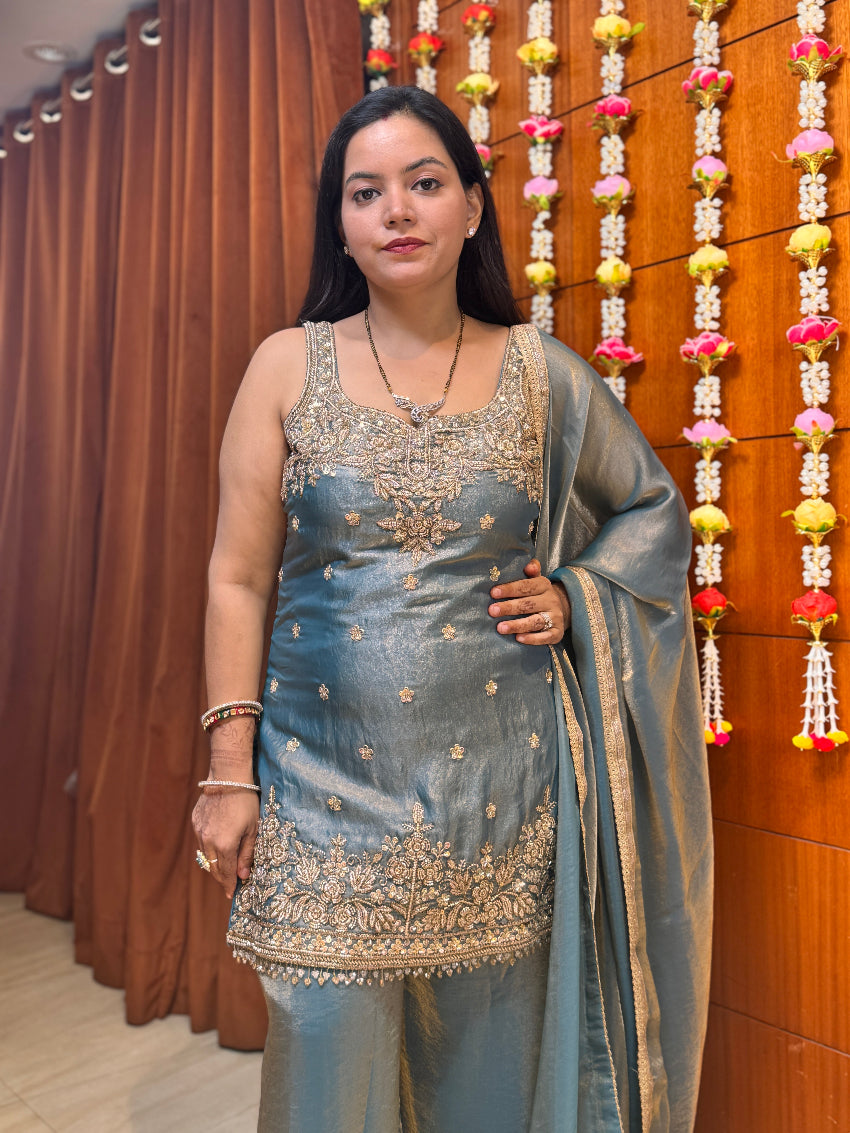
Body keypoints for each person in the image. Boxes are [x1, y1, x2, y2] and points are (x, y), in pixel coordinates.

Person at [192, 86, 712, 1133]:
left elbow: (650, 513)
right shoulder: (287, 365)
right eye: (365, 192)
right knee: (323, 1087)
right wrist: (226, 770)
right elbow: (237, 578)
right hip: (319, 802)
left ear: (472, 206)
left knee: (487, 1093)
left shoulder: (542, 374)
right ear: (341, 222)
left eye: (424, 183)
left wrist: (575, 595)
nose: (396, 210)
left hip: (501, 802)